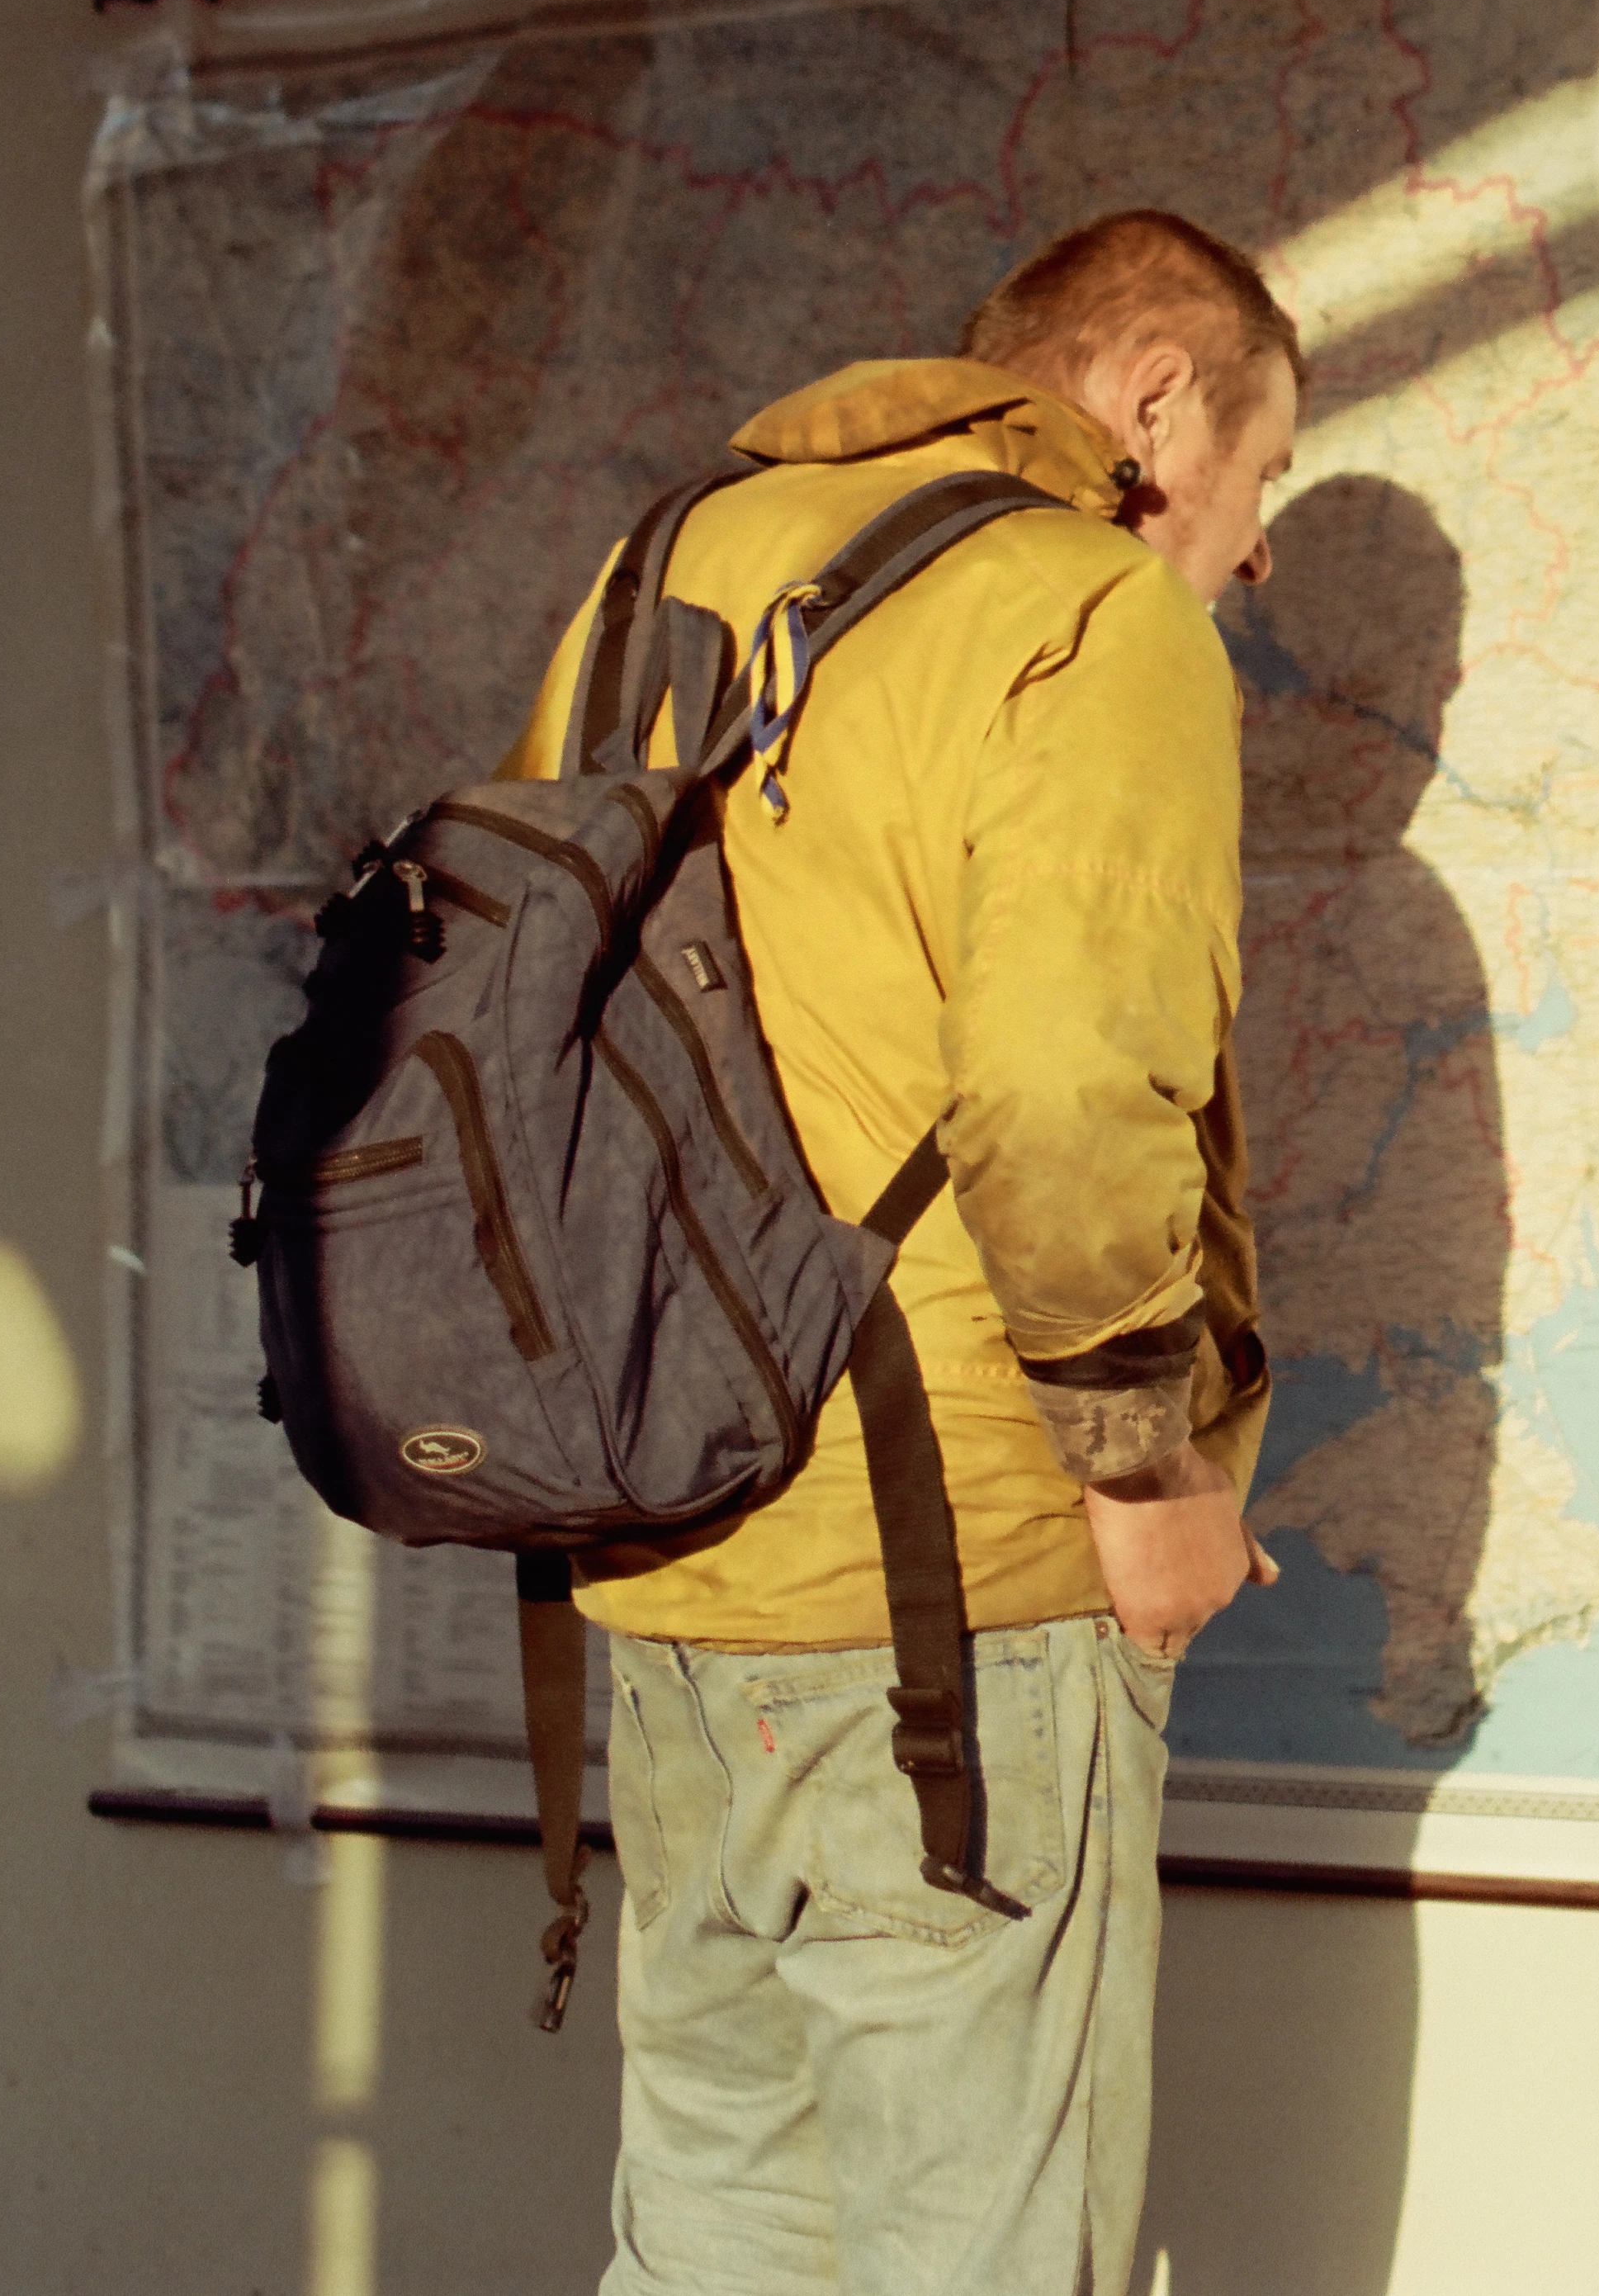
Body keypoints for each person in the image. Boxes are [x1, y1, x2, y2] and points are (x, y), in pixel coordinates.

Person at [508, 208, 1299, 2296]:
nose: (1257, 543)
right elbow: (1055, 1087)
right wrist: (1145, 1475)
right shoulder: (1084, 607)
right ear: (1150, 400)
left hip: (671, 1553)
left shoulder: (654, 574)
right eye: (1264, 468)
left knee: (718, 2240)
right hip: (956, 1594)